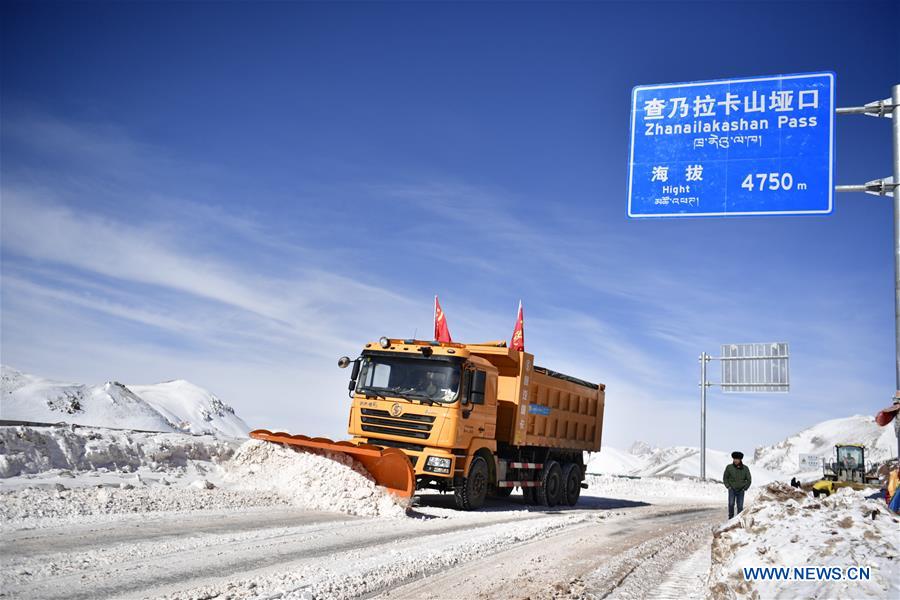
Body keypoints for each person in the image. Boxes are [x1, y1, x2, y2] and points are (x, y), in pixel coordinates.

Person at [723, 451, 752, 519]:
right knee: (731, 504)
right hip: (732, 489)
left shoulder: (745, 468)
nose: (735, 460)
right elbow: (725, 478)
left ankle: (739, 519)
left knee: (740, 506)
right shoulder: (729, 467)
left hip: (741, 490)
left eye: (737, 459)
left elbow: (749, 479)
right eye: (734, 459)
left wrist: (745, 488)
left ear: (740, 459)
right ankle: (730, 519)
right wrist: (728, 486)